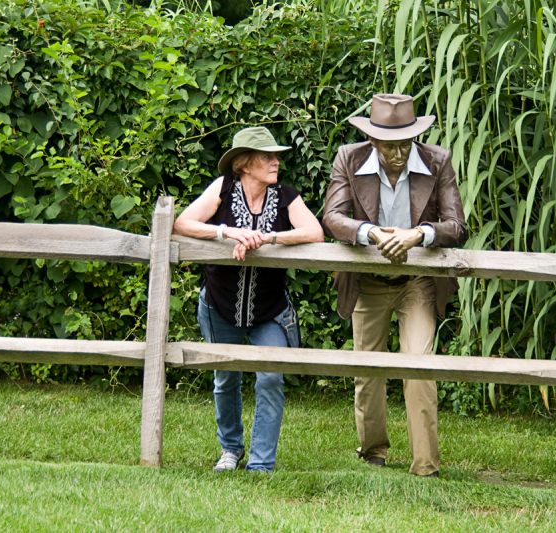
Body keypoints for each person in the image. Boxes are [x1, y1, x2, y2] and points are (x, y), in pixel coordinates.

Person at [323, 94, 467, 477]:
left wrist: (417, 235)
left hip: (416, 281)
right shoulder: (349, 159)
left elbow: (457, 226)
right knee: (367, 369)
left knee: (419, 366)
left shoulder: (437, 161)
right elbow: (333, 218)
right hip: (367, 280)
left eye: (406, 143)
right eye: (390, 145)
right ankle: (374, 450)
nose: (399, 153)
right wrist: (371, 233)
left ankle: (426, 465)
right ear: (373, 141)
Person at [173, 126, 324, 473]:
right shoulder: (224, 189)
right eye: (267, 156)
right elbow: (183, 223)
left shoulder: (286, 195)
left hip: (270, 311)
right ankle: (230, 450)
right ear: (244, 163)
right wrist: (228, 232)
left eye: (276, 155)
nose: (276, 161)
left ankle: (261, 463)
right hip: (220, 304)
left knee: (270, 377)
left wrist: (267, 238)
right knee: (225, 377)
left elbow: (314, 231)